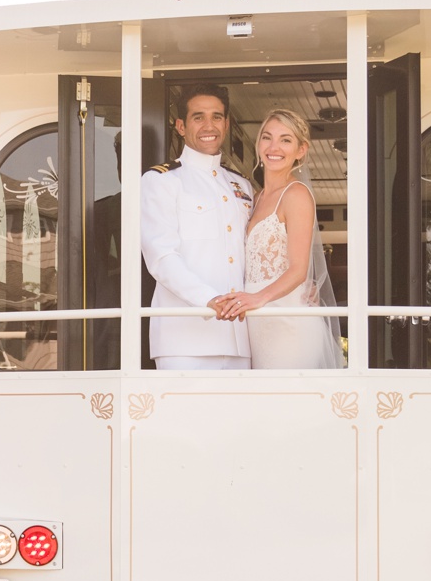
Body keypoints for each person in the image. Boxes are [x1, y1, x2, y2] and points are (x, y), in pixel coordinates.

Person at [212, 109, 339, 369]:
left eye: (286, 140)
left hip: (288, 324)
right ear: (258, 144)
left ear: (300, 150)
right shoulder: (255, 197)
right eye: (267, 137)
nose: (274, 147)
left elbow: (298, 271)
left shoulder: (296, 195)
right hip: (257, 327)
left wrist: (258, 298)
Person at [140, 85, 252, 370]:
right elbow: (161, 257)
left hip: (240, 338)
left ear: (226, 125)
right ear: (181, 126)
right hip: (183, 340)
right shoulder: (162, 181)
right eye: (198, 117)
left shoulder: (242, 185)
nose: (209, 126)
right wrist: (209, 300)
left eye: (217, 117)